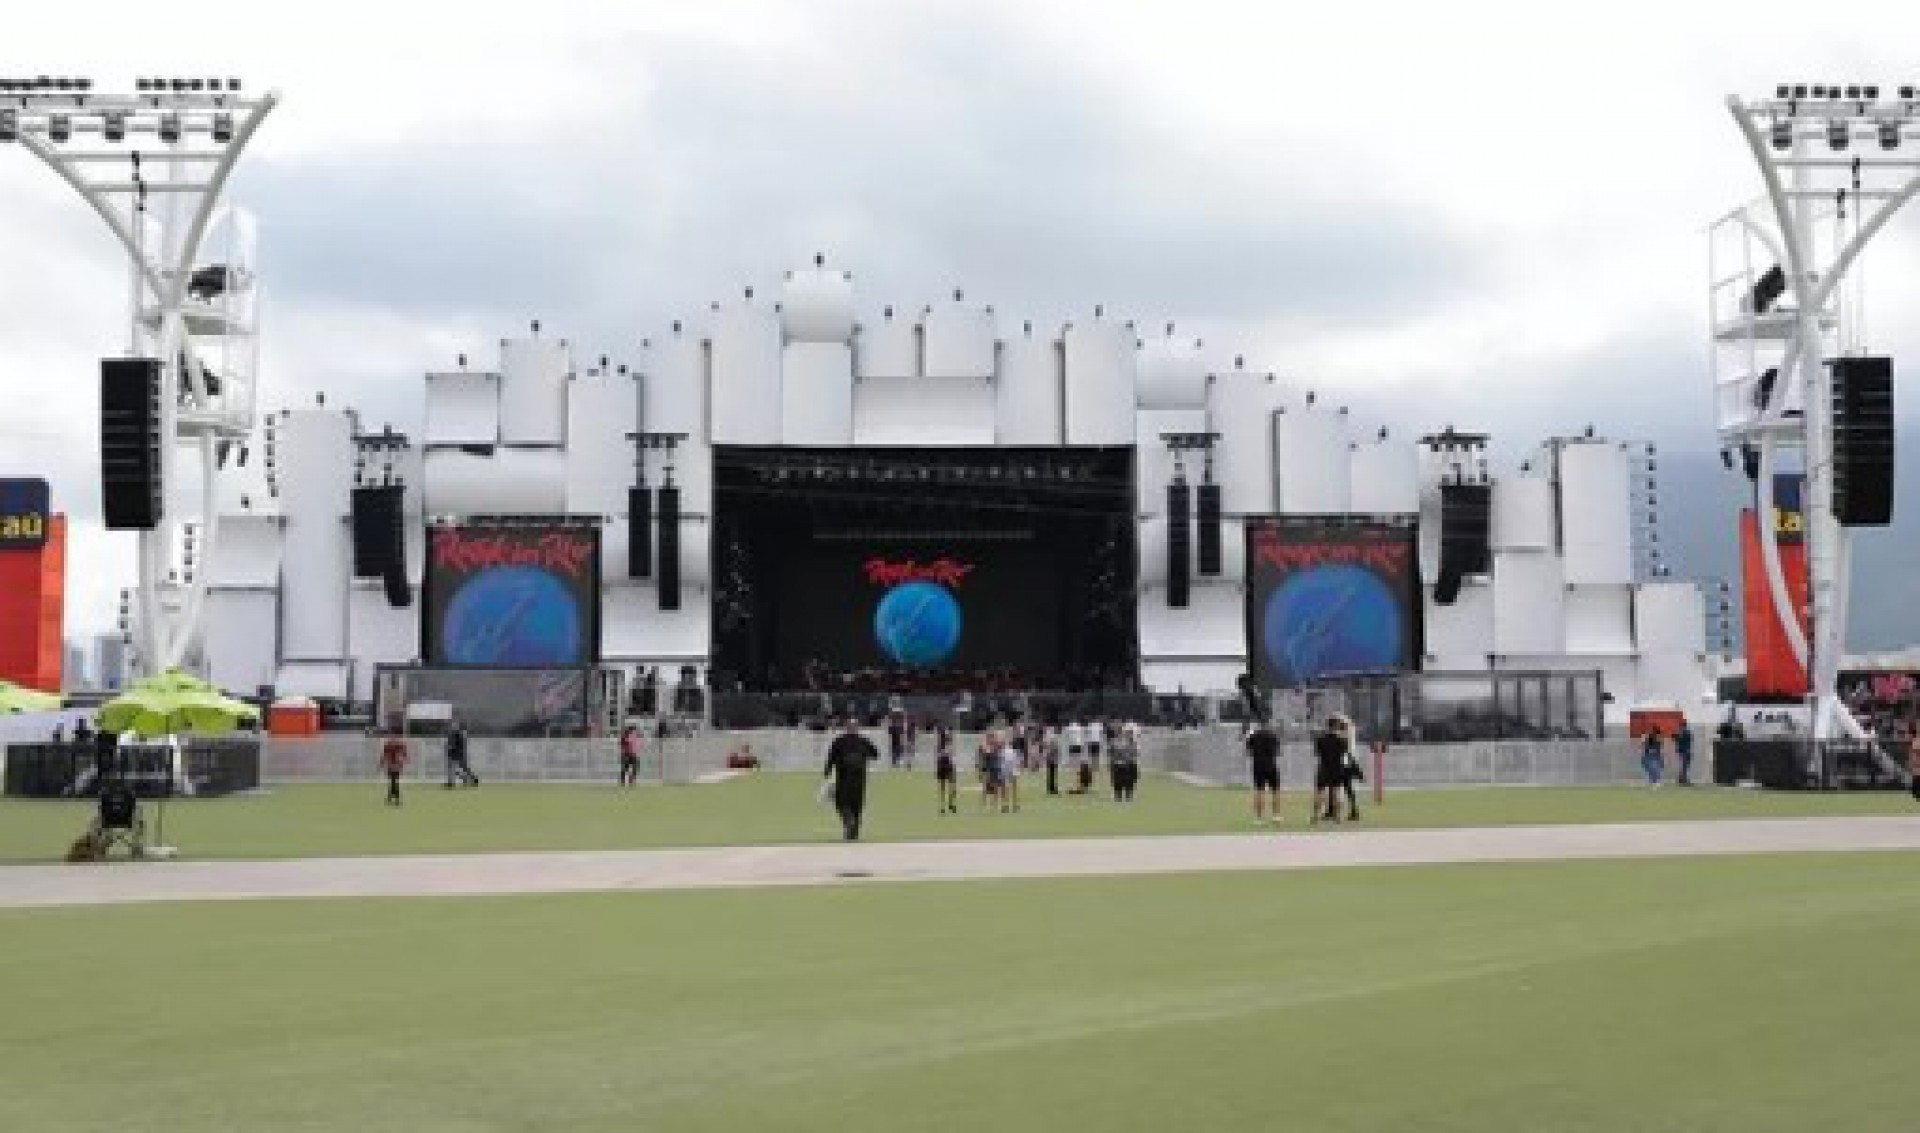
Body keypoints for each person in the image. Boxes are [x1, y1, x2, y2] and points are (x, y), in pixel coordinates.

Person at [822, 718, 879, 841]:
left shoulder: (839, 741)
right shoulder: (864, 741)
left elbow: (831, 756)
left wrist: (827, 771)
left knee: (841, 801)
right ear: (857, 728)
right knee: (857, 805)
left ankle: (848, 821)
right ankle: (853, 834)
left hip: (844, 777)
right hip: (859, 778)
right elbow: (875, 754)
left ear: (846, 728)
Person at [1245, 720, 1282, 824]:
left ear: (1258, 725)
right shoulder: (1273, 736)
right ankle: (1276, 815)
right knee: (1275, 791)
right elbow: (1278, 752)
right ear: (1268, 724)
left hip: (1258, 766)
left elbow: (1248, 751)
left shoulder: (1253, 736)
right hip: (1271, 765)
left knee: (1259, 791)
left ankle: (1259, 818)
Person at [1312, 718, 1348, 822]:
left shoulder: (1320, 739)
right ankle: (1338, 817)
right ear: (1336, 726)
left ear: (1327, 726)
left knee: (1320, 792)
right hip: (1337, 768)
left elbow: (1317, 753)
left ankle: (1316, 816)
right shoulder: (1341, 740)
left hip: (1324, 767)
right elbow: (1344, 752)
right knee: (1336, 792)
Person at [1333, 716, 1363, 822]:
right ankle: (1352, 811)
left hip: (1345, 763)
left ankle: (1342, 814)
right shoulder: (1348, 735)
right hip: (1347, 762)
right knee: (1348, 788)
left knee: (1343, 788)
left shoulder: (1346, 736)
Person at [1111, 721, 1141, 802]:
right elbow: (1114, 752)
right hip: (1120, 763)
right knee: (1118, 780)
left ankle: (1128, 795)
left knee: (1130, 780)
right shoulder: (1116, 741)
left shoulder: (1133, 742)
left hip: (1129, 763)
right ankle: (1119, 796)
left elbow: (1135, 753)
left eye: (1131, 732)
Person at [444, 721, 479, 789]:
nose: (452, 727)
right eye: (452, 726)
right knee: (451, 768)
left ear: (457, 727)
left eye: (454, 726)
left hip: (458, 754)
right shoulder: (453, 734)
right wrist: (449, 748)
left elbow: (458, 745)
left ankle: (472, 778)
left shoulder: (460, 734)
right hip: (454, 754)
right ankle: (450, 783)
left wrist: (450, 747)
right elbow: (451, 744)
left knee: (464, 768)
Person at [379, 731, 409, 807]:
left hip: (396, 765)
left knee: (394, 782)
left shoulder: (398, 744)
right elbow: (384, 755)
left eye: (394, 736)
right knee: (393, 782)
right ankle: (394, 798)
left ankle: (394, 798)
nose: (393, 738)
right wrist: (381, 763)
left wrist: (405, 760)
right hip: (392, 765)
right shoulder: (389, 744)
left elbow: (404, 754)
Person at [935, 733, 959, 815]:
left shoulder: (950, 747)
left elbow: (952, 757)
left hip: (948, 766)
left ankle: (950, 803)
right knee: (943, 787)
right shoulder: (941, 747)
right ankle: (943, 806)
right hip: (944, 766)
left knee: (952, 787)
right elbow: (942, 756)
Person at [1674, 720, 1696, 786]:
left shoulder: (1681, 733)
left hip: (1683, 751)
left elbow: (1677, 741)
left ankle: (1682, 779)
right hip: (1684, 751)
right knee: (1684, 766)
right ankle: (1683, 780)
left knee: (1684, 766)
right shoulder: (1685, 733)